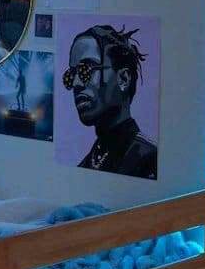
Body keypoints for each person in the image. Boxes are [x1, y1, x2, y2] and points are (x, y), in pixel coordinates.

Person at [63, 25, 157, 179]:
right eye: (70, 75)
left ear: (123, 79)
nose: (75, 83)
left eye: (86, 70)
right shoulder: (87, 164)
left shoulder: (148, 159)